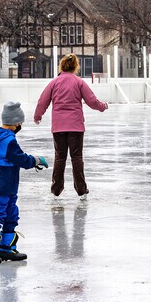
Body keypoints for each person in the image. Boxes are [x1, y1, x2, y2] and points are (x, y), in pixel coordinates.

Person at [0, 101, 48, 264]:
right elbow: (20, 159)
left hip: (9, 187)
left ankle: (6, 248)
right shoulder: (9, 142)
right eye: (20, 123)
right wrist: (35, 160)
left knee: (11, 215)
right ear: (15, 123)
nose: (21, 125)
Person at [34, 53, 108, 199]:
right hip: (76, 127)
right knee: (77, 158)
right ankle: (81, 189)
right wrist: (103, 106)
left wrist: (38, 116)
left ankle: (56, 189)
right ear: (75, 67)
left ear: (61, 66)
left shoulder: (54, 82)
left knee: (60, 158)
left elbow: (42, 101)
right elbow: (92, 101)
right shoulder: (79, 82)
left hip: (59, 127)